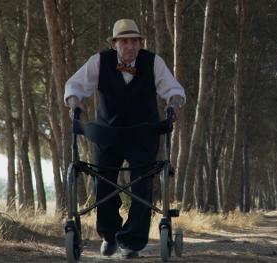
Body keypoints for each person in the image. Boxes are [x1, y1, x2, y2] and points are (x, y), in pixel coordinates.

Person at [64, 18, 185, 259]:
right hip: (107, 133)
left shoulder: (153, 62)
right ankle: (109, 235)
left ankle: (132, 241)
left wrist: (174, 104)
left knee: (142, 184)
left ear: (140, 43)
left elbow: (174, 90)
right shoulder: (99, 61)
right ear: (115, 44)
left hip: (143, 133)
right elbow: (74, 86)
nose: (129, 46)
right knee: (103, 181)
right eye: (124, 41)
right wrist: (74, 104)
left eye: (134, 41)